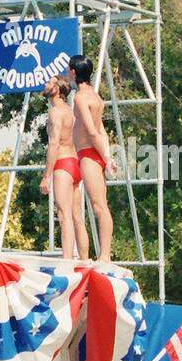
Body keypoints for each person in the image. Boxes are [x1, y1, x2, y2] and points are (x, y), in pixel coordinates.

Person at [68, 55, 117, 263]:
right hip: (94, 152)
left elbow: (91, 131)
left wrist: (106, 157)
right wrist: (107, 155)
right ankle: (104, 254)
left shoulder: (80, 98)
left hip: (89, 152)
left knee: (99, 206)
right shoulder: (96, 97)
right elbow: (102, 131)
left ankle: (105, 255)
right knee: (100, 205)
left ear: (73, 73)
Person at [39, 76, 89, 261]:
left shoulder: (56, 112)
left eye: (50, 83)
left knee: (64, 216)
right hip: (76, 164)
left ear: (57, 89)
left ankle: (67, 261)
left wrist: (47, 175)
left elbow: (54, 144)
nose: (46, 84)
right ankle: (85, 261)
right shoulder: (71, 111)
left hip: (63, 164)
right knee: (77, 218)